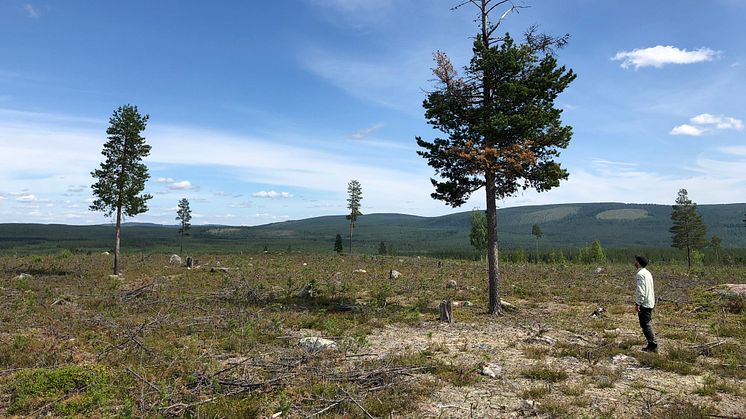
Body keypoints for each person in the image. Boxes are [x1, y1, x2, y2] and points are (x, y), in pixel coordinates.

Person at [634, 255, 657, 352]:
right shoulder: (648, 273)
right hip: (650, 301)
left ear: (638, 262)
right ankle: (651, 344)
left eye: (635, 261)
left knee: (645, 324)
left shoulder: (640, 274)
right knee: (646, 323)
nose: (634, 262)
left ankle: (652, 345)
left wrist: (638, 303)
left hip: (645, 303)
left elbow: (641, 290)